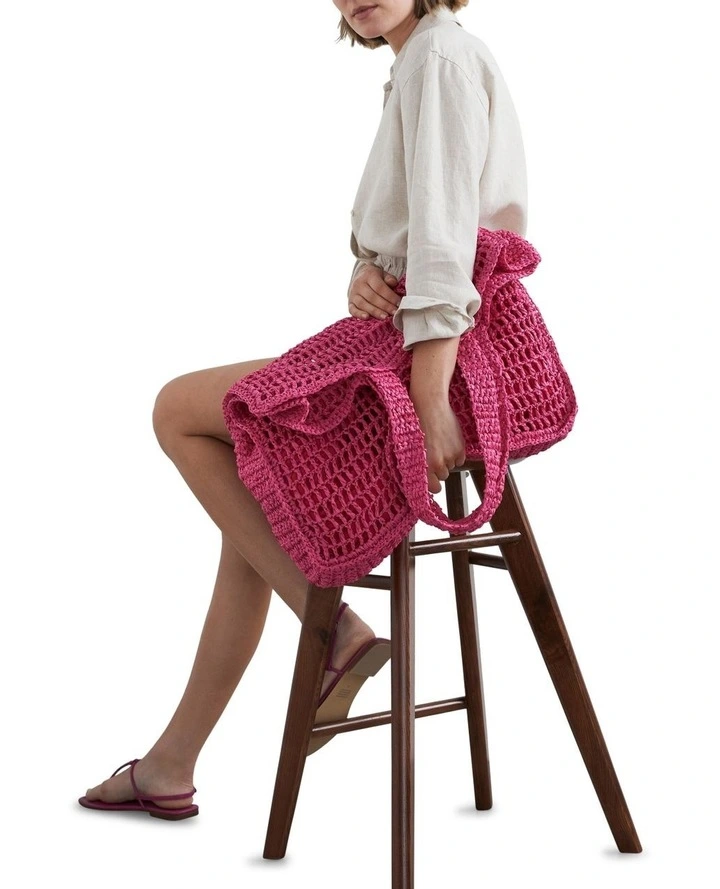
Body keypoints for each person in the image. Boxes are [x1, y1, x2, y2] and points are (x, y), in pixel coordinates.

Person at [78, 0, 528, 818]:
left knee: (178, 409)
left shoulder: (438, 59)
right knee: (250, 502)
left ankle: (337, 635)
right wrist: (365, 273)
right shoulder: (419, 60)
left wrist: (430, 393)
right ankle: (170, 764)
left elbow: (446, 243)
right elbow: (421, 231)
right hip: (415, 341)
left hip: (434, 361)